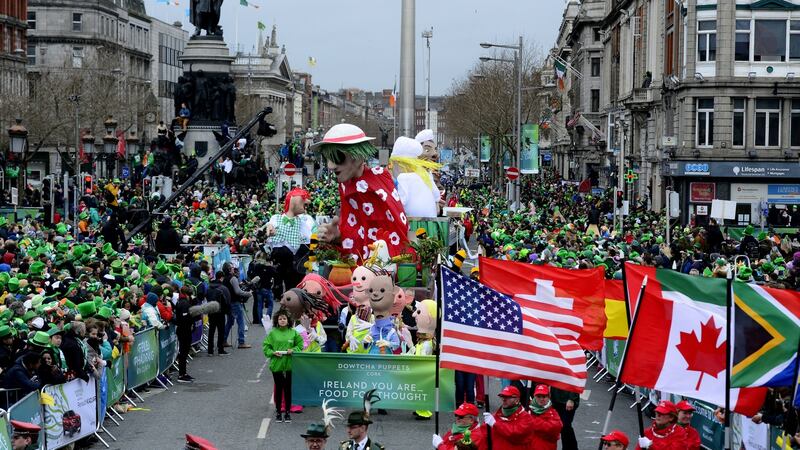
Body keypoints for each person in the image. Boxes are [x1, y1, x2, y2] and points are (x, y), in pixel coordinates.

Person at [315, 123, 410, 261]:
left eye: (337, 157)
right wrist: (337, 237)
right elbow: (355, 232)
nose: (331, 166)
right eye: (327, 158)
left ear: (357, 156)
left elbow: (395, 228)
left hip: (385, 267)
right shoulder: (344, 185)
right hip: (356, 269)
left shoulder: (379, 178)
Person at [263, 309, 303, 424]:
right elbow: (266, 347)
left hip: (290, 365)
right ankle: (278, 412)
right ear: (277, 320)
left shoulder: (294, 332)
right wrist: (273, 353)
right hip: (277, 365)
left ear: (288, 320)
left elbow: (300, 345)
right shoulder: (272, 333)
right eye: (280, 318)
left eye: (284, 318)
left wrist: (293, 350)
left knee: (288, 389)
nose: (282, 320)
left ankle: (287, 412)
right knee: (279, 389)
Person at [482, 385, 536, 450]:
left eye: (508, 397)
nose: (504, 399)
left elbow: (515, 434)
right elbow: (483, 436)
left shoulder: (526, 418)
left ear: (517, 400)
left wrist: (495, 424)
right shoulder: (494, 417)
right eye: (502, 396)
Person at [222, 262, 251, 349]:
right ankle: (241, 342)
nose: (233, 269)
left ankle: (223, 340)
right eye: (232, 268)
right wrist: (248, 293)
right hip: (235, 302)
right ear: (229, 269)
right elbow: (238, 291)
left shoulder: (224, 279)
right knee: (241, 322)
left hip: (228, 303)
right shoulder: (233, 278)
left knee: (230, 322)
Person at [528, 385, 563, 450]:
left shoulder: (553, 413)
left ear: (549, 397)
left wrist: (532, 422)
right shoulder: (528, 409)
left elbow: (554, 429)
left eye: (544, 396)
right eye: (538, 396)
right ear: (534, 396)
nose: (541, 399)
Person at [206, 271, 231, 355]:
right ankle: (220, 349)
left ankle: (210, 351)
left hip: (211, 311)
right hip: (220, 312)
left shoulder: (209, 288)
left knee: (211, 331)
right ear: (221, 278)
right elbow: (227, 301)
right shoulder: (223, 288)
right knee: (221, 331)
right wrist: (228, 311)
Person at [175, 285, 195, 383]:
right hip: (184, 330)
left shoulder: (183, 302)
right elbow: (184, 318)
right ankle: (181, 375)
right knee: (183, 352)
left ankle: (184, 373)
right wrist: (191, 321)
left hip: (184, 329)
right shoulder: (184, 304)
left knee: (185, 352)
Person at [550, 386, 579, 450]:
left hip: (567, 399)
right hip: (555, 397)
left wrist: (572, 398)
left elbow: (576, 378)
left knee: (565, 426)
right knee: (559, 426)